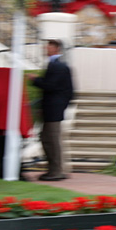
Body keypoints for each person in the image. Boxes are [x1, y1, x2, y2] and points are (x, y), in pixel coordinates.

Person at [31, 39, 75, 181]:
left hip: (54, 110)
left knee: (52, 141)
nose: (46, 48)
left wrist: (35, 80)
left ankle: (56, 171)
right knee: (48, 139)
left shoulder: (58, 66)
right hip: (51, 108)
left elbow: (50, 86)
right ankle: (54, 170)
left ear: (56, 48)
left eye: (49, 46)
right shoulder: (55, 65)